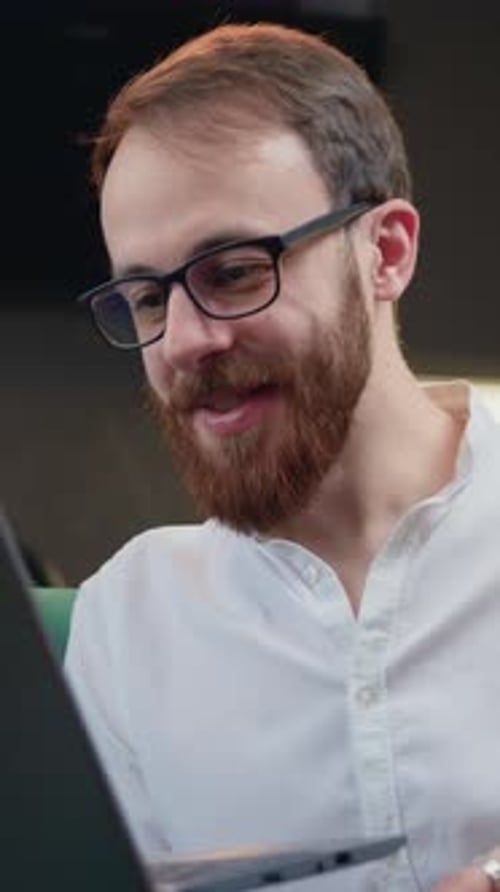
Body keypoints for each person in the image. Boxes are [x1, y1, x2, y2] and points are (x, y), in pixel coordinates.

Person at [65, 22, 500, 892]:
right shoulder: (126, 624)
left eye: (232, 271)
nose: (183, 341)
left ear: (386, 252)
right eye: (147, 296)